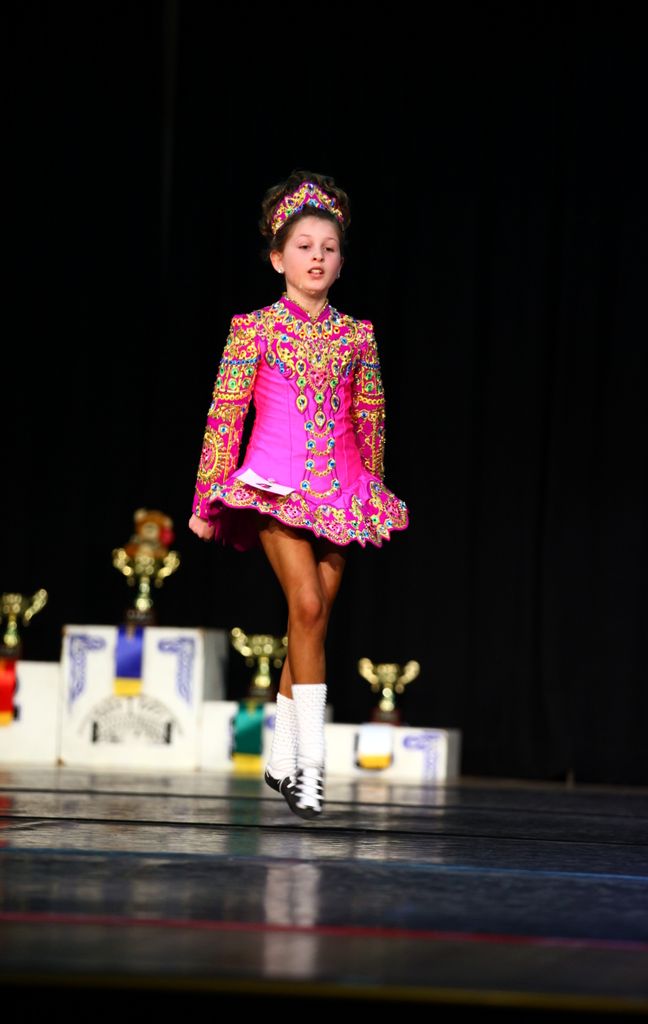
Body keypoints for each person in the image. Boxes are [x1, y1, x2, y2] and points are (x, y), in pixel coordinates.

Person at [188, 170, 409, 819]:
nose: (317, 257)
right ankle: (311, 767)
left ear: (340, 262)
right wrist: (206, 497)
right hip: (273, 486)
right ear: (277, 258)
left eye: (328, 248)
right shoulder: (252, 328)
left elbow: (370, 419)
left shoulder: (357, 336)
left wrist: (371, 490)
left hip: (343, 492)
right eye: (304, 246)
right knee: (307, 604)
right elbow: (226, 413)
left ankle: (281, 759)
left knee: (307, 621)